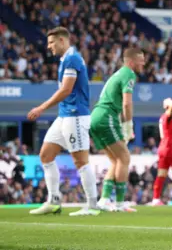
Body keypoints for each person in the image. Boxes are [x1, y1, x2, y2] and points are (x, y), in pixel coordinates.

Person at [27, 27, 99, 216]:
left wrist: (41, 108)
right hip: (65, 115)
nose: (49, 47)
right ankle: (54, 201)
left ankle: (93, 205)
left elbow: (66, 90)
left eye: (51, 43)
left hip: (75, 115)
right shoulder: (65, 59)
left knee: (81, 161)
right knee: (45, 155)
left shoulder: (72, 59)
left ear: (61, 40)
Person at [91, 47, 145, 212]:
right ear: (131, 62)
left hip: (97, 116)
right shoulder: (129, 74)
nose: (143, 64)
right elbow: (127, 104)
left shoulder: (118, 73)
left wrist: (123, 125)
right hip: (107, 116)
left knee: (116, 160)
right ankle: (120, 204)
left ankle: (104, 200)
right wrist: (128, 126)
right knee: (124, 158)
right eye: (140, 61)